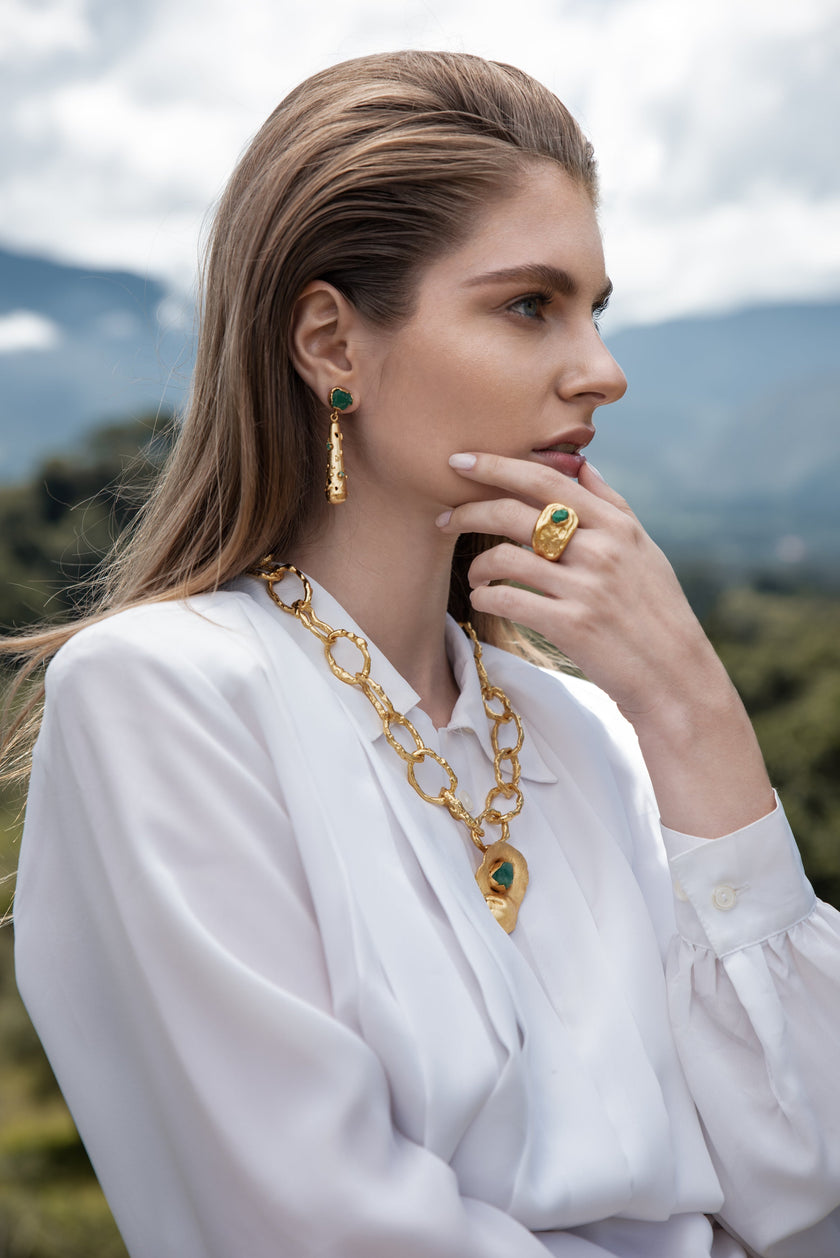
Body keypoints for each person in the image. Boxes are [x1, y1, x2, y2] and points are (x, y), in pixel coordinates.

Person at [6, 49, 840, 1258]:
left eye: (595, 307)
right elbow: (316, 1225)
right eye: (528, 305)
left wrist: (692, 712)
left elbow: (809, 1189)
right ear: (332, 344)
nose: (601, 369)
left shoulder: (594, 733)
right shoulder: (162, 695)